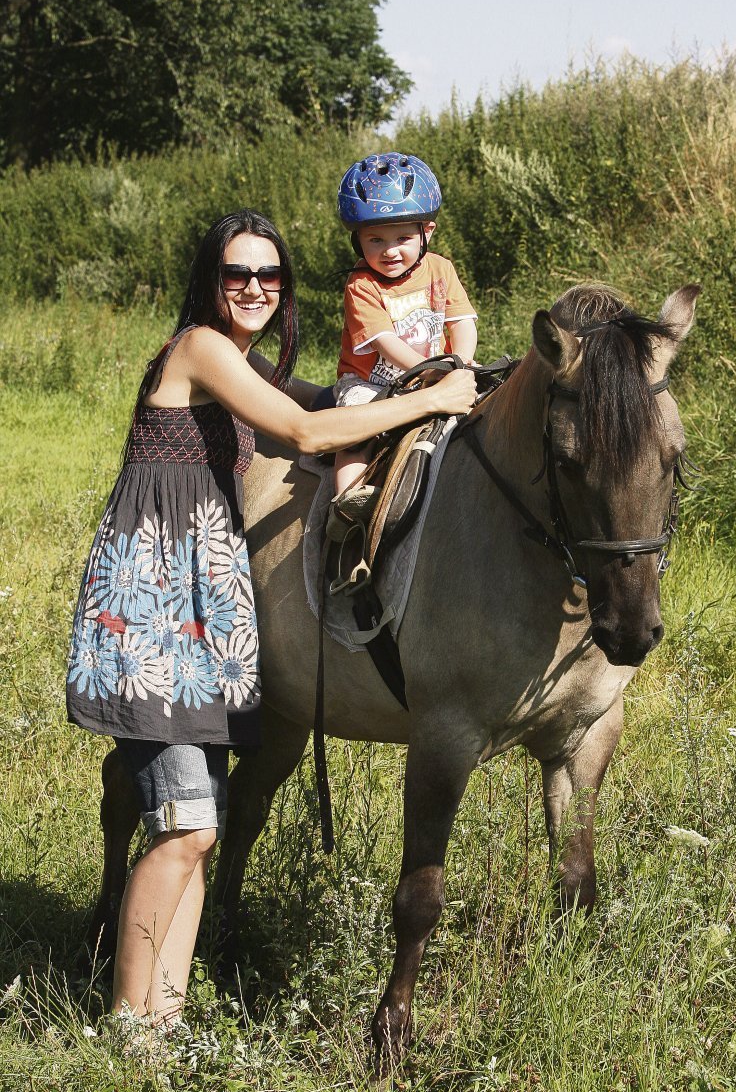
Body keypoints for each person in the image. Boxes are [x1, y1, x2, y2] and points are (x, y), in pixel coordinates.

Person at [65, 209, 475, 1027]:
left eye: (270, 275)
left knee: (200, 829)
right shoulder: (201, 349)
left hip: (206, 609)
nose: (255, 287)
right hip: (155, 606)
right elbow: (307, 429)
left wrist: (422, 385)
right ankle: (128, 1027)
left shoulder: (248, 365)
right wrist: (441, 394)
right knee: (183, 826)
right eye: (236, 273)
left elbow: (327, 402)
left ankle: (163, 1021)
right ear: (208, 282)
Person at [332, 152, 478, 509]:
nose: (390, 251)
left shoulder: (440, 269)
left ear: (426, 232)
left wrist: (461, 361)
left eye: (401, 238)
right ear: (358, 240)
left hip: (436, 372)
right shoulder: (362, 285)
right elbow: (385, 343)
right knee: (355, 429)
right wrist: (434, 370)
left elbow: (461, 323)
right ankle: (346, 502)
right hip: (372, 383)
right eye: (375, 240)